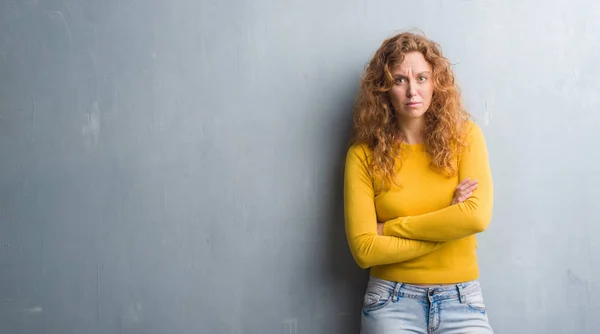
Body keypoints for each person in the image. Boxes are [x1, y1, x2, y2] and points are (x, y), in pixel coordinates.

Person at [343, 31, 494, 333]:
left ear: (436, 82)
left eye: (422, 78)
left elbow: (476, 217)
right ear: (384, 88)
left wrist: (391, 228)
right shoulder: (362, 155)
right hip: (390, 301)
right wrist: (449, 222)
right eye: (400, 80)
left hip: (462, 300)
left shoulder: (466, 137)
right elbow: (365, 250)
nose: (413, 90)